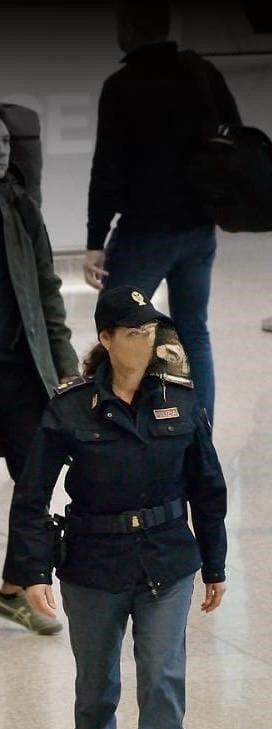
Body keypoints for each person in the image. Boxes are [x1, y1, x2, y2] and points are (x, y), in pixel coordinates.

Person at [9, 286, 227, 729]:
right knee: (96, 692)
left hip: (166, 560)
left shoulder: (180, 400)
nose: (145, 342)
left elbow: (208, 486)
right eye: (132, 333)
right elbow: (30, 498)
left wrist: (216, 562)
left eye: (151, 332)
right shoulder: (71, 407)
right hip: (93, 565)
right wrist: (30, 572)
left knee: (162, 686)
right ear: (105, 340)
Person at [83, 0, 241, 425]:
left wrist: (95, 241)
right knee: (194, 333)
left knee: (118, 330)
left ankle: (114, 427)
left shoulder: (122, 86)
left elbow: (107, 170)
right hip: (198, 230)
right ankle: (199, 432)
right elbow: (233, 142)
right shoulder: (202, 74)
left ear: (129, 28)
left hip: (144, 234)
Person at [0, 110, 79, 636]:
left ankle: (15, 588)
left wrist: (68, 370)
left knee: (33, 479)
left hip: (21, 371)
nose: (2, 151)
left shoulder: (21, 205)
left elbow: (48, 291)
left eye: (5, 141)